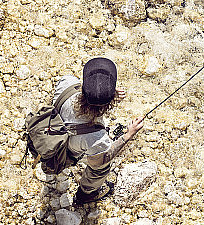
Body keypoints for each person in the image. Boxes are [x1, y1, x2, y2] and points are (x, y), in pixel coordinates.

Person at [53, 57, 144, 205]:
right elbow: (101, 161)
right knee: (100, 169)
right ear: (107, 105)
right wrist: (128, 134)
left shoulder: (67, 82)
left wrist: (106, 94)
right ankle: (85, 194)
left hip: (54, 131)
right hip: (67, 151)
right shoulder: (97, 139)